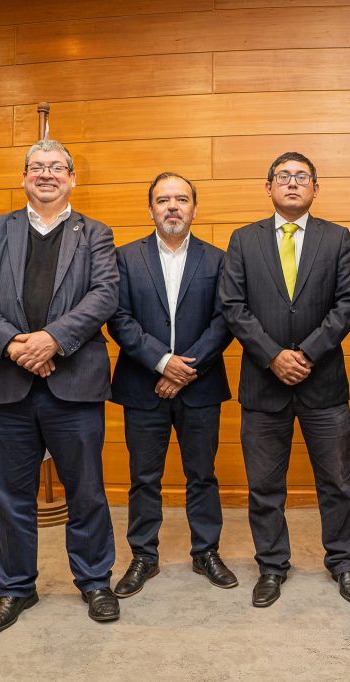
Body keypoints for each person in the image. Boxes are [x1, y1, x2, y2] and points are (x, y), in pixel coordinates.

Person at [0, 139, 120, 634]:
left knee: (86, 491)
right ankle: (14, 588)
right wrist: (14, 345)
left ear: (72, 177)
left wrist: (52, 340)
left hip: (75, 384)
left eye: (56, 167)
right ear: (24, 176)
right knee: (12, 495)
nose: (46, 174)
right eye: (36, 167)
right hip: (6, 383)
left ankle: (94, 581)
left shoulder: (95, 233)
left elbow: (104, 295)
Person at [218, 152, 350, 607]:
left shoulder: (337, 238)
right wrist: (272, 356)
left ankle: (343, 562)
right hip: (263, 385)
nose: (293, 183)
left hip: (324, 384)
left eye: (302, 177)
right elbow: (233, 306)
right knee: (264, 485)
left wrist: (306, 353)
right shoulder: (243, 240)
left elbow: (348, 302)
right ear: (269, 187)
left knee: (337, 481)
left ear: (316, 188)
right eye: (284, 176)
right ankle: (271, 566)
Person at [107, 172, 236, 599]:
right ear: (151, 209)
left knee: (203, 474)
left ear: (194, 208)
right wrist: (162, 363)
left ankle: (206, 552)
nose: (173, 207)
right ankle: (144, 556)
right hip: (142, 386)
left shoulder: (218, 260)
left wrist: (184, 369)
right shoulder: (125, 258)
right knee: (144, 477)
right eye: (163, 200)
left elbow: (224, 321)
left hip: (201, 386)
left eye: (181, 199)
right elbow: (119, 319)